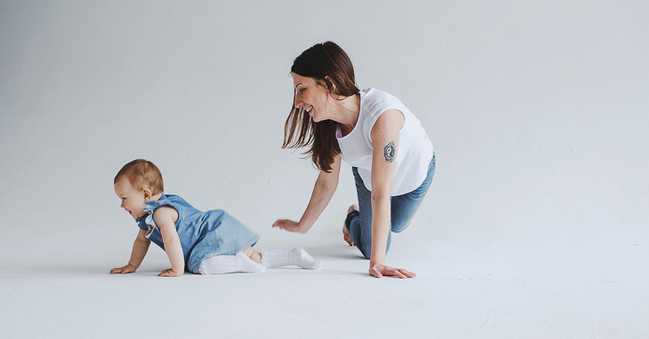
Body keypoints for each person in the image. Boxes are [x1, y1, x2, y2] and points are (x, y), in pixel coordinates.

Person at [273, 41, 435, 279]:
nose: (297, 102)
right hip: (369, 175)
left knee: (398, 224)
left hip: (414, 175)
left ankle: (359, 214)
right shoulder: (330, 126)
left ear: (328, 83)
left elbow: (382, 192)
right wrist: (302, 226)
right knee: (370, 248)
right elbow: (327, 182)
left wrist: (378, 263)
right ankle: (354, 216)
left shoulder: (381, 115)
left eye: (302, 89)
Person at [110, 159, 321, 276]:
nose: (122, 205)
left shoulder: (160, 213)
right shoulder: (148, 218)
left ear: (146, 194)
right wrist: (132, 265)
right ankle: (294, 256)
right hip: (215, 229)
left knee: (200, 266)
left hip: (208, 236)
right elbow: (141, 241)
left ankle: (239, 262)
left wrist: (177, 269)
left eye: (124, 198)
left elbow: (171, 240)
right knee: (255, 255)